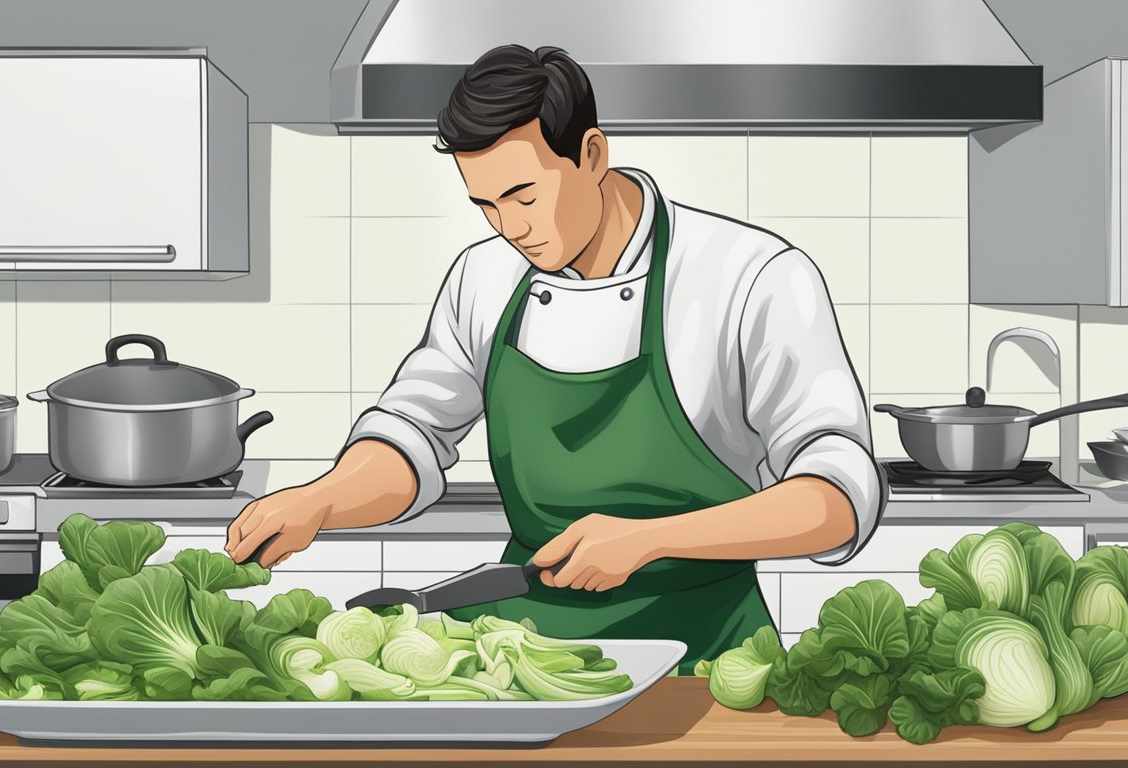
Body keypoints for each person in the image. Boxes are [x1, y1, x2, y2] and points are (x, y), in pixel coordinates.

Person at [227, 44, 883, 673]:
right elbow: (412, 436)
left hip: (706, 658)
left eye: (523, 196)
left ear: (591, 154)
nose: (509, 227)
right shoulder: (483, 279)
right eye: (485, 205)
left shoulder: (750, 277)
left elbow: (837, 497)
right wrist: (321, 500)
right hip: (520, 657)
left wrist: (650, 538)